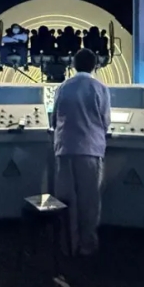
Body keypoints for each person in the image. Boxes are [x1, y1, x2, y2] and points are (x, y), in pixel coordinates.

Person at [50, 48, 111, 257]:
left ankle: (68, 245)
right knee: (89, 200)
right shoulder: (100, 88)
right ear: (95, 65)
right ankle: (87, 245)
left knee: (66, 200)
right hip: (90, 150)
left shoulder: (63, 87)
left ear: (73, 65)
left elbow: (54, 119)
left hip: (65, 148)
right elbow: (105, 121)